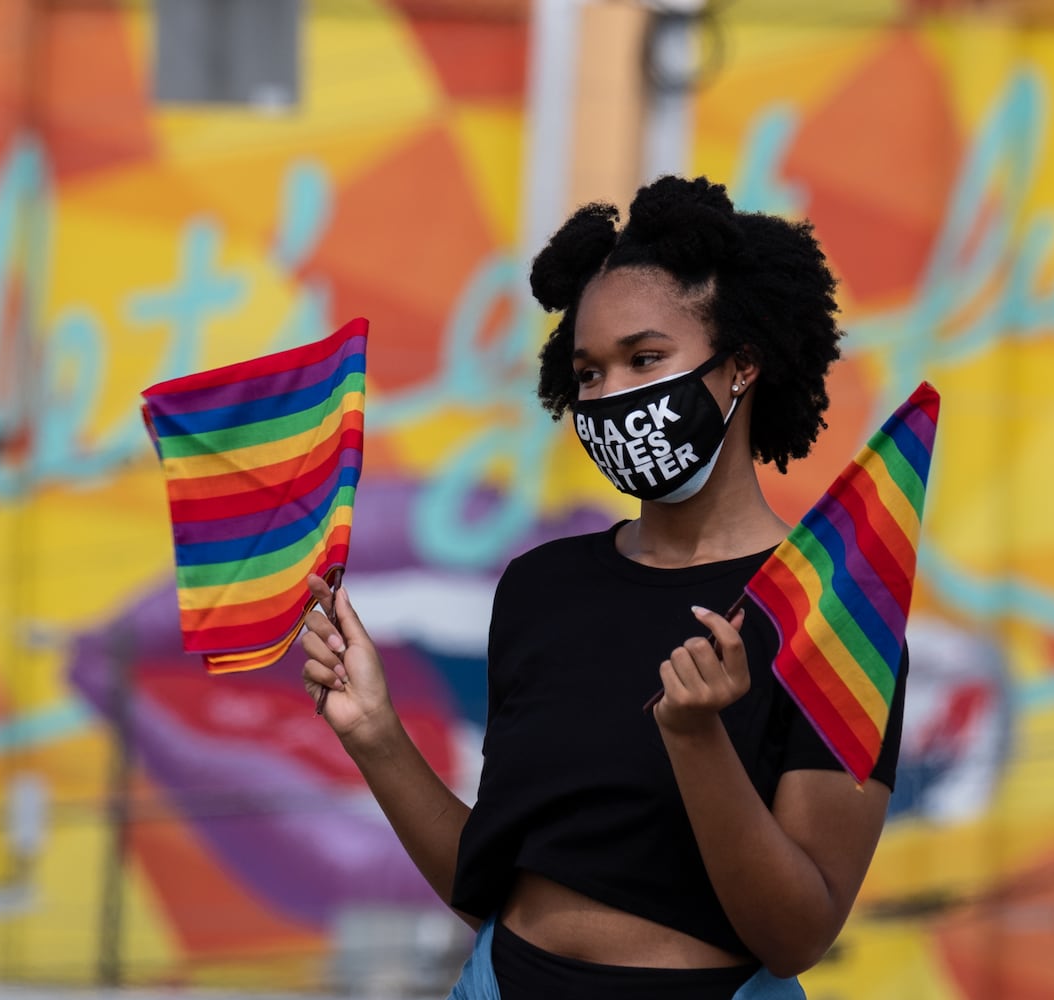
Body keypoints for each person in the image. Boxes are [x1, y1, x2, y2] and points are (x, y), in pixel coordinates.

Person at [297, 175, 909, 1000]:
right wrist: (374, 733)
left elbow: (796, 934)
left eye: (646, 358)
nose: (612, 393)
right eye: (588, 372)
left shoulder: (828, 611)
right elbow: (490, 886)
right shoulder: (540, 589)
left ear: (743, 366)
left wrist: (698, 742)